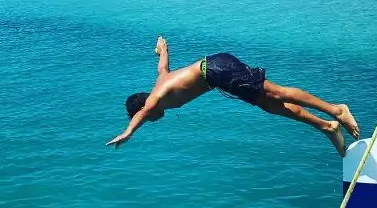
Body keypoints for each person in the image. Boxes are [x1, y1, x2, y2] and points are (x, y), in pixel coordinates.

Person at [106, 37, 359, 156]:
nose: (153, 118)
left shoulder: (155, 100)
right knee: (273, 106)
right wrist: (162, 48)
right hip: (218, 75)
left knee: (277, 93)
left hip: (218, 71)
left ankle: (336, 110)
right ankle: (327, 127)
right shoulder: (160, 83)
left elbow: (142, 111)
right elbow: (163, 64)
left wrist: (128, 132)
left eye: (149, 118)